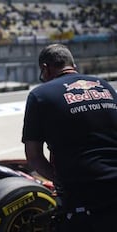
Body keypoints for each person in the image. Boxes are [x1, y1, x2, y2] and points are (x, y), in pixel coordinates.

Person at [22, 43, 117, 232]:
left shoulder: (40, 95)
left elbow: (33, 157)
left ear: (45, 69)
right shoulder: (105, 86)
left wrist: (59, 181)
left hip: (83, 198)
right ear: (73, 65)